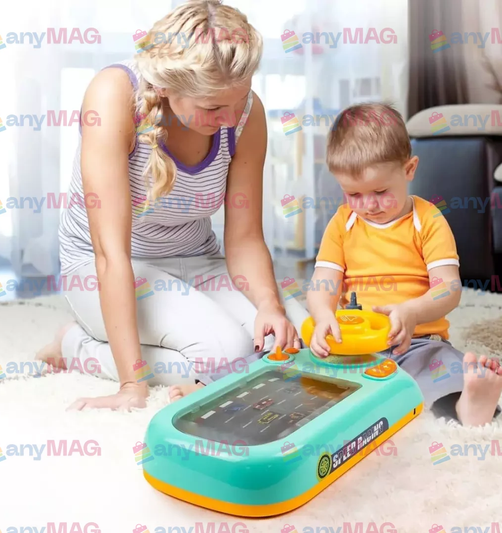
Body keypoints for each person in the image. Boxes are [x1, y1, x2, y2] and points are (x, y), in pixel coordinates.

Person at [37, 0, 308, 410]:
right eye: (213, 108)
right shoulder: (113, 96)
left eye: (239, 100)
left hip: (197, 259)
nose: (231, 119)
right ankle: (75, 345)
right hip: (104, 266)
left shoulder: (245, 115)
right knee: (227, 353)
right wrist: (132, 386)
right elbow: (111, 255)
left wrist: (270, 305)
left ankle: (156, 344)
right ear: (165, 87)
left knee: (296, 337)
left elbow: (246, 237)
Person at [307, 102, 502, 426]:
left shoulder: (428, 221)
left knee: (441, 367)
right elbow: (322, 282)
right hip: (352, 342)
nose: (368, 205)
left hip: (415, 342)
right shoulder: (342, 223)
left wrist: (411, 311)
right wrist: (323, 314)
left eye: (380, 191)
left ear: (409, 169)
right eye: (353, 194)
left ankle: (467, 404)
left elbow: (449, 289)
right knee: (305, 364)